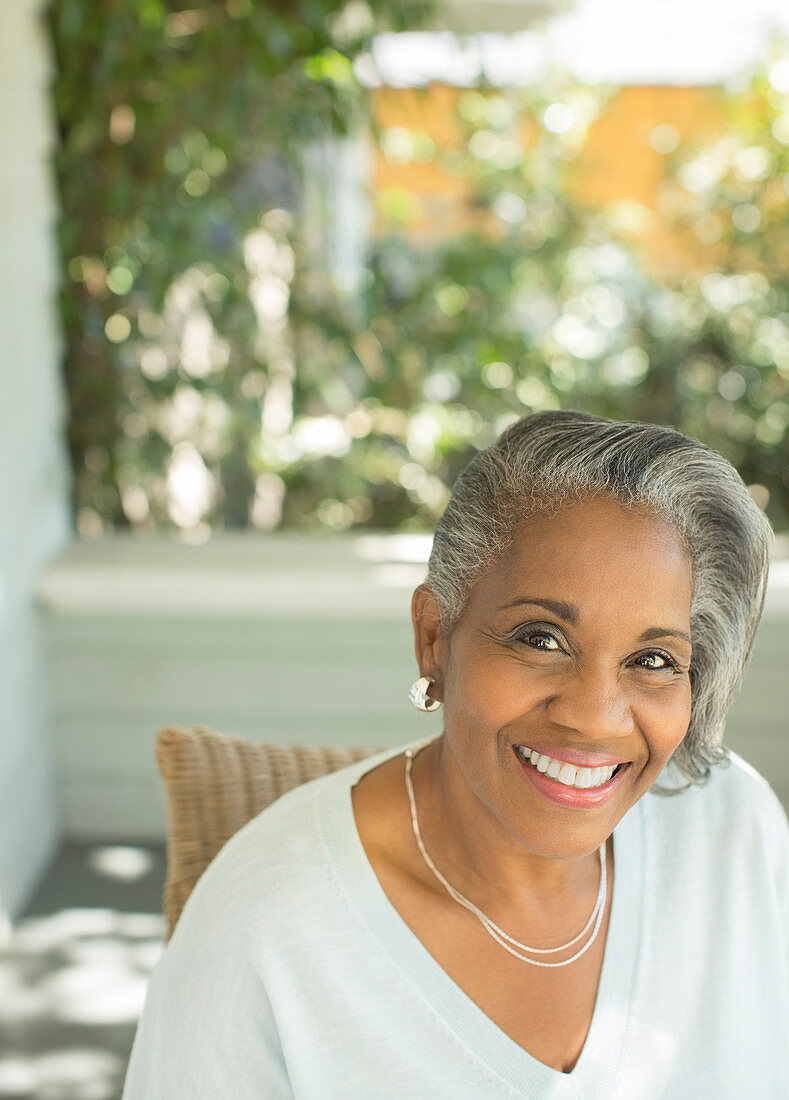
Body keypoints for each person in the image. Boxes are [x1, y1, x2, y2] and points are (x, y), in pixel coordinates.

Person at [123, 410, 789, 1099]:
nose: (593, 717)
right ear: (434, 638)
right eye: (540, 638)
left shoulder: (730, 829)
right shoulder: (264, 928)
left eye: (652, 659)